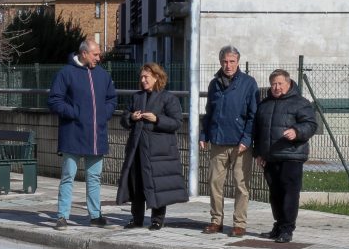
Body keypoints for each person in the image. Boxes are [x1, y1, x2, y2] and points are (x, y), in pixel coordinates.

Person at [48, 39, 118, 229]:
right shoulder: (66, 73)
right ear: (84, 53)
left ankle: (95, 215)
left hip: (97, 135)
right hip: (73, 134)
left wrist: (104, 113)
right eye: (95, 54)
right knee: (68, 176)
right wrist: (74, 113)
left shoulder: (103, 75)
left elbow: (112, 99)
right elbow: (54, 100)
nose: (99, 58)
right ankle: (62, 216)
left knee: (94, 178)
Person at [116, 62, 186, 230]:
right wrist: (131, 117)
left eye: (146, 76)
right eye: (141, 77)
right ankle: (136, 218)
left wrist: (157, 119)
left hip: (158, 152)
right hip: (137, 149)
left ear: (156, 77)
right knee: (136, 184)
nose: (143, 79)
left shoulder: (168, 98)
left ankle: (157, 219)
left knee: (157, 185)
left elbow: (177, 122)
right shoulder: (136, 97)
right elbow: (123, 119)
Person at [200, 45, 259, 237]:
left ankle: (239, 223)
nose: (228, 65)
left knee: (241, 185)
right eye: (225, 61)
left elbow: (253, 115)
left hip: (240, 144)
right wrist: (204, 135)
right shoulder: (214, 84)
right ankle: (216, 220)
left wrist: (247, 139)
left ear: (238, 62)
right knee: (214, 183)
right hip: (218, 141)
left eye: (232, 61)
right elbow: (208, 112)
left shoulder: (249, 83)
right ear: (220, 62)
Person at [253, 69, 317, 243]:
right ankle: (279, 225)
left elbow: (311, 124)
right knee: (275, 193)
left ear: (289, 84)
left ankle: (287, 229)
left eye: (280, 83)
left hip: (291, 155)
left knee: (289, 193)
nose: (276, 87)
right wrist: (258, 153)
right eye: (273, 83)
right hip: (270, 156)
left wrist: (297, 131)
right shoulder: (264, 104)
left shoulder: (300, 103)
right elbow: (257, 131)